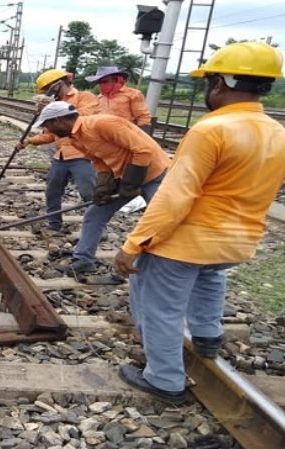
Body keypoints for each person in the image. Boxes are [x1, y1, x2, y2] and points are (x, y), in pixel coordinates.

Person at [113, 42, 285, 404]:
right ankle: (207, 336)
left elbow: (176, 195)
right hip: (237, 243)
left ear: (219, 83)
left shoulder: (211, 130)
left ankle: (164, 379)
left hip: (187, 242)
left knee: (159, 307)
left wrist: (134, 245)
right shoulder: (277, 132)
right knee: (210, 276)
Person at [32, 101, 170, 274]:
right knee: (95, 213)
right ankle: (83, 259)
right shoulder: (75, 139)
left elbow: (143, 150)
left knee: (161, 219)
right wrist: (103, 185)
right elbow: (99, 161)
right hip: (125, 175)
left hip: (154, 174)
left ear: (58, 120)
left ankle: (165, 265)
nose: (49, 131)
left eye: (48, 125)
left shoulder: (103, 124)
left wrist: (131, 184)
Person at [15, 69, 99, 233]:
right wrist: (28, 141)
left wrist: (56, 108)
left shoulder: (84, 97)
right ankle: (54, 224)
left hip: (82, 155)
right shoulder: (53, 105)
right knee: (52, 191)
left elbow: (84, 118)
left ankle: (95, 229)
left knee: (88, 193)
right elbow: (50, 135)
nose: (48, 93)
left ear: (58, 84)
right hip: (60, 156)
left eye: (48, 89)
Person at [86, 66, 152, 134]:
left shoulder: (133, 95)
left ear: (117, 80)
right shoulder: (99, 98)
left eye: (104, 81)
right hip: (102, 136)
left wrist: (142, 137)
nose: (101, 84)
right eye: (99, 82)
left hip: (124, 135)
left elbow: (143, 117)